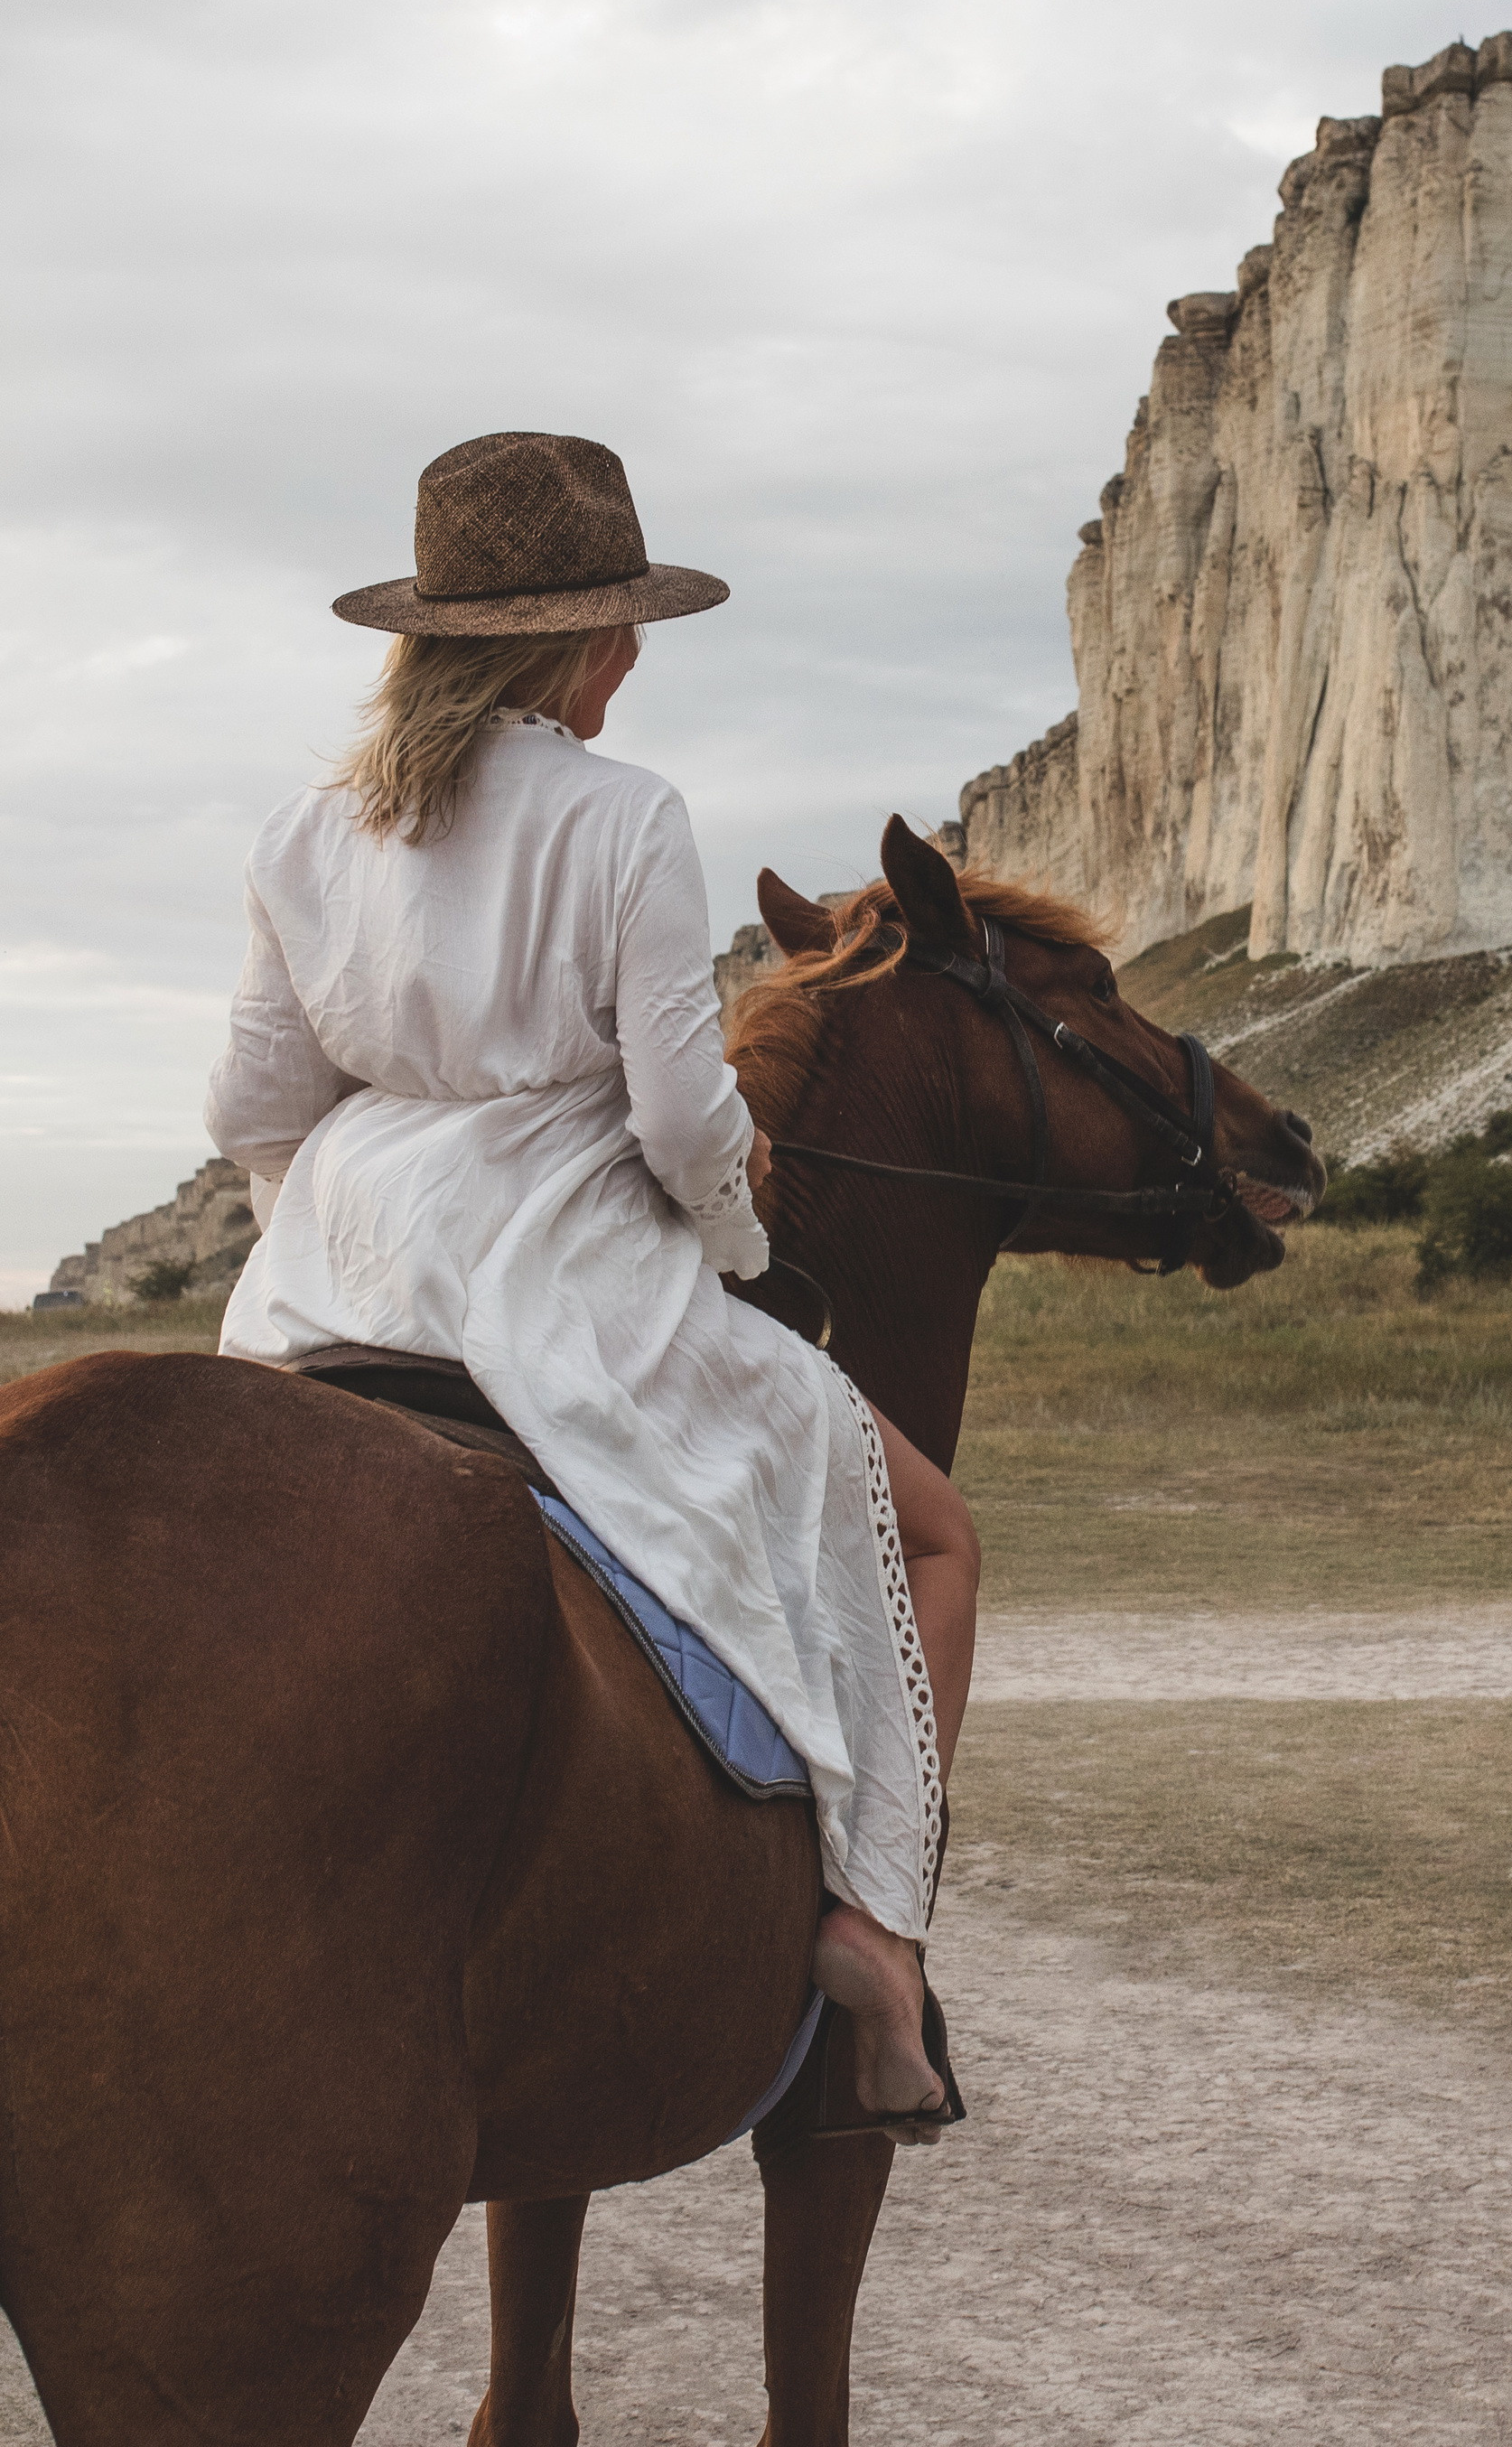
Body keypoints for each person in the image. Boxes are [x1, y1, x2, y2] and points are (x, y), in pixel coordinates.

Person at [204, 430, 978, 2120]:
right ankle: (878, 1926)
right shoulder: (624, 816)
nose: (632, 658)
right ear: (582, 643)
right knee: (928, 1530)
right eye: (624, 628)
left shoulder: (300, 833)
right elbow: (683, 1115)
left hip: (321, 1285)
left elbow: (253, 1109)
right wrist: (737, 1253)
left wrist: (335, 1238)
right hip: (561, 1270)